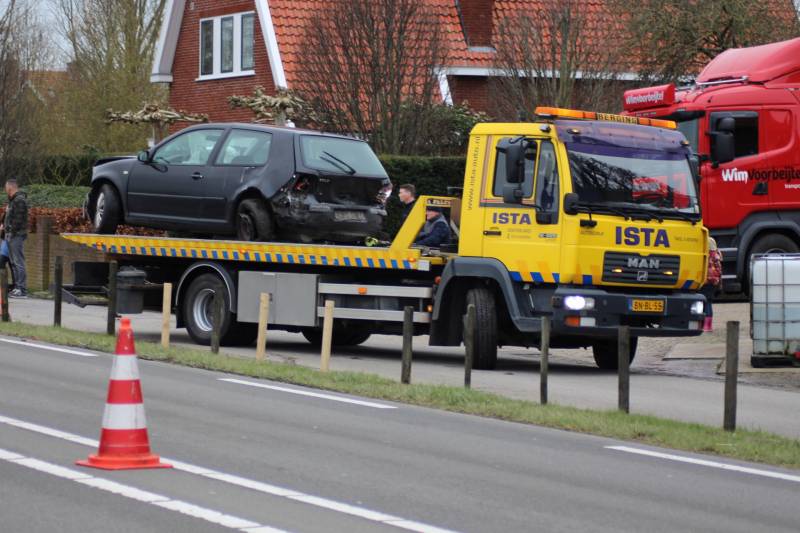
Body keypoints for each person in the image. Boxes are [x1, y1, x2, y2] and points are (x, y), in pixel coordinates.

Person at [2, 179, 29, 298]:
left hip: (16, 235)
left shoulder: (19, 200)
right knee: (14, 262)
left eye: (6, 188)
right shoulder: (13, 201)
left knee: (18, 262)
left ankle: (21, 289)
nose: (5, 190)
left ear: (10, 188)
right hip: (11, 235)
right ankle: (17, 287)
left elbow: (18, 220)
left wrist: (10, 231)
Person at [701, 236, 723, 332]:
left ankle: (704, 325)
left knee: (704, 303)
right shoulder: (717, 255)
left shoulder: (706, 255)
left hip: (706, 281)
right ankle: (708, 326)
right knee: (709, 302)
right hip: (714, 282)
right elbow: (719, 269)